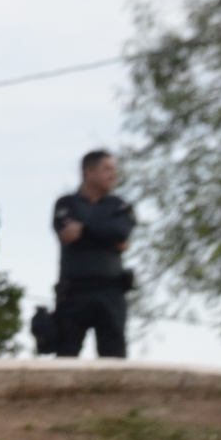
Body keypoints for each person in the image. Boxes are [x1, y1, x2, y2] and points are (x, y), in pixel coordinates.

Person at [50, 148, 135, 357]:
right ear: (88, 172)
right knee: (66, 356)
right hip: (75, 293)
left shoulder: (120, 206)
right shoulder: (67, 204)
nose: (113, 174)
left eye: (114, 169)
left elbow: (121, 232)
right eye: (107, 169)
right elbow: (68, 236)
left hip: (111, 292)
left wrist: (84, 230)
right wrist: (109, 239)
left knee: (114, 359)